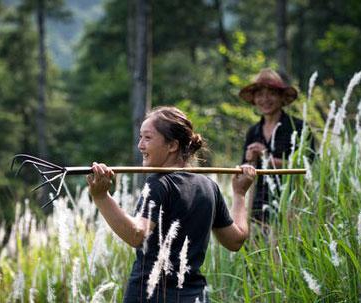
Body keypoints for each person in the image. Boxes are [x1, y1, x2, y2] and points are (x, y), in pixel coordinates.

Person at [87, 106, 256, 303]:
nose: (140, 145)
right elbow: (236, 240)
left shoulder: (159, 184)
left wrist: (101, 197)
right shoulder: (210, 186)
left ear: (172, 145)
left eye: (147, 138)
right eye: (140, 137)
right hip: (195, 297)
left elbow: (137, 235)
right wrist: (240, 194)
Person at [239, 68, 314, 223]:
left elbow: (309, 167)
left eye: (271, 93)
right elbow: (244, 173)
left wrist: (266, 157)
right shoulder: (253, 132)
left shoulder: (298, 128)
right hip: (258, 209)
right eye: (259, 94)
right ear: (254, 99)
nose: (265, 99)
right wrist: (247, 162)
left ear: (281, 97)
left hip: (292, 208)